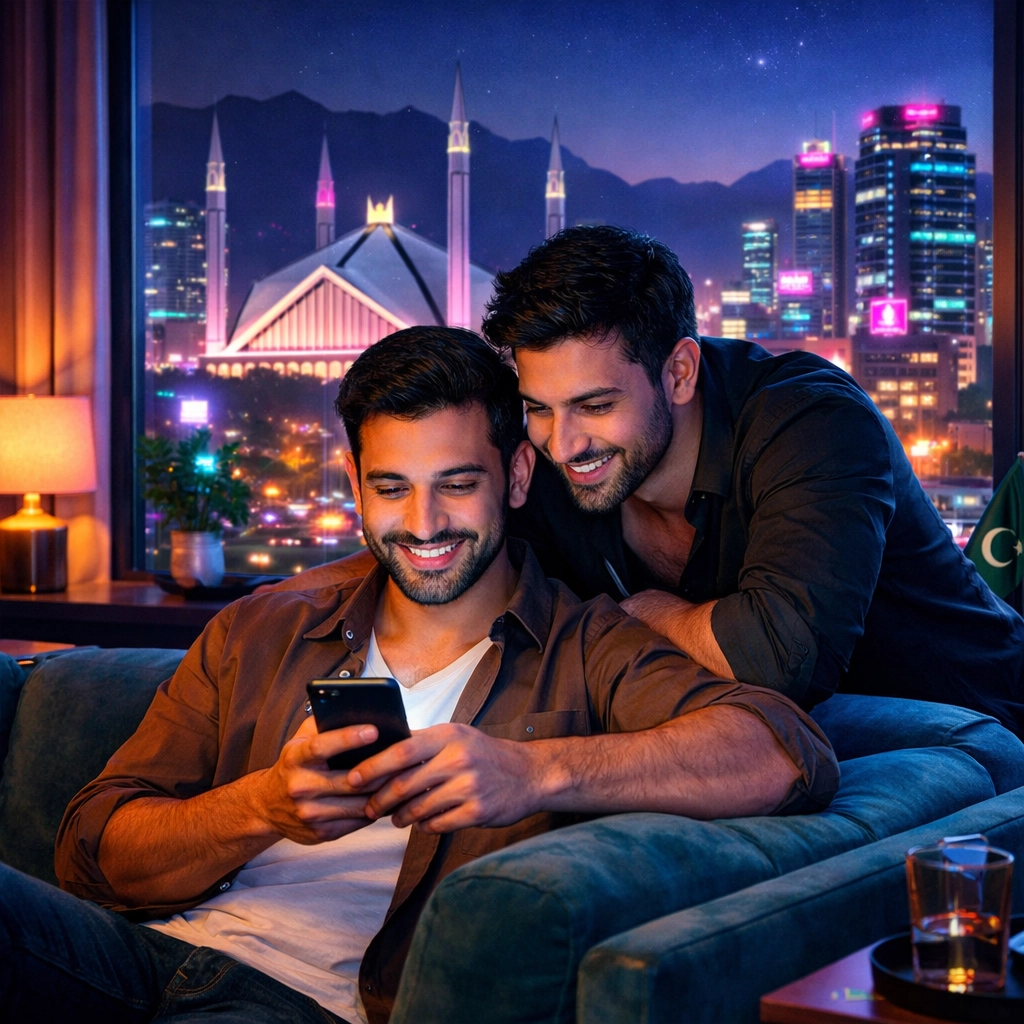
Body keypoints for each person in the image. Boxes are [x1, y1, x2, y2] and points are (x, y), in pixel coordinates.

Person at [0, 328, 838, 1024]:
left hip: (300, 1002)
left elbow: (783, 755)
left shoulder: (587, 646)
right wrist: (261, 808)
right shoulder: (265, 625)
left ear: (514, 478)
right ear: (358, 483)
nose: (424, 524)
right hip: (125, 955)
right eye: (392, 489)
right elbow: (90, 855)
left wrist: (532, 772)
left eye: (457, 485)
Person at [484, 225, 1024, 731]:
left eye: (596, 406)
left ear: (678, 373)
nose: (563, 443)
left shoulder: (812, 422)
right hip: (779, 736)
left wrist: (648, 614)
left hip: (973, 731)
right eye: (541, 409)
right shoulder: (546, 460)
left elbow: (781, 661)